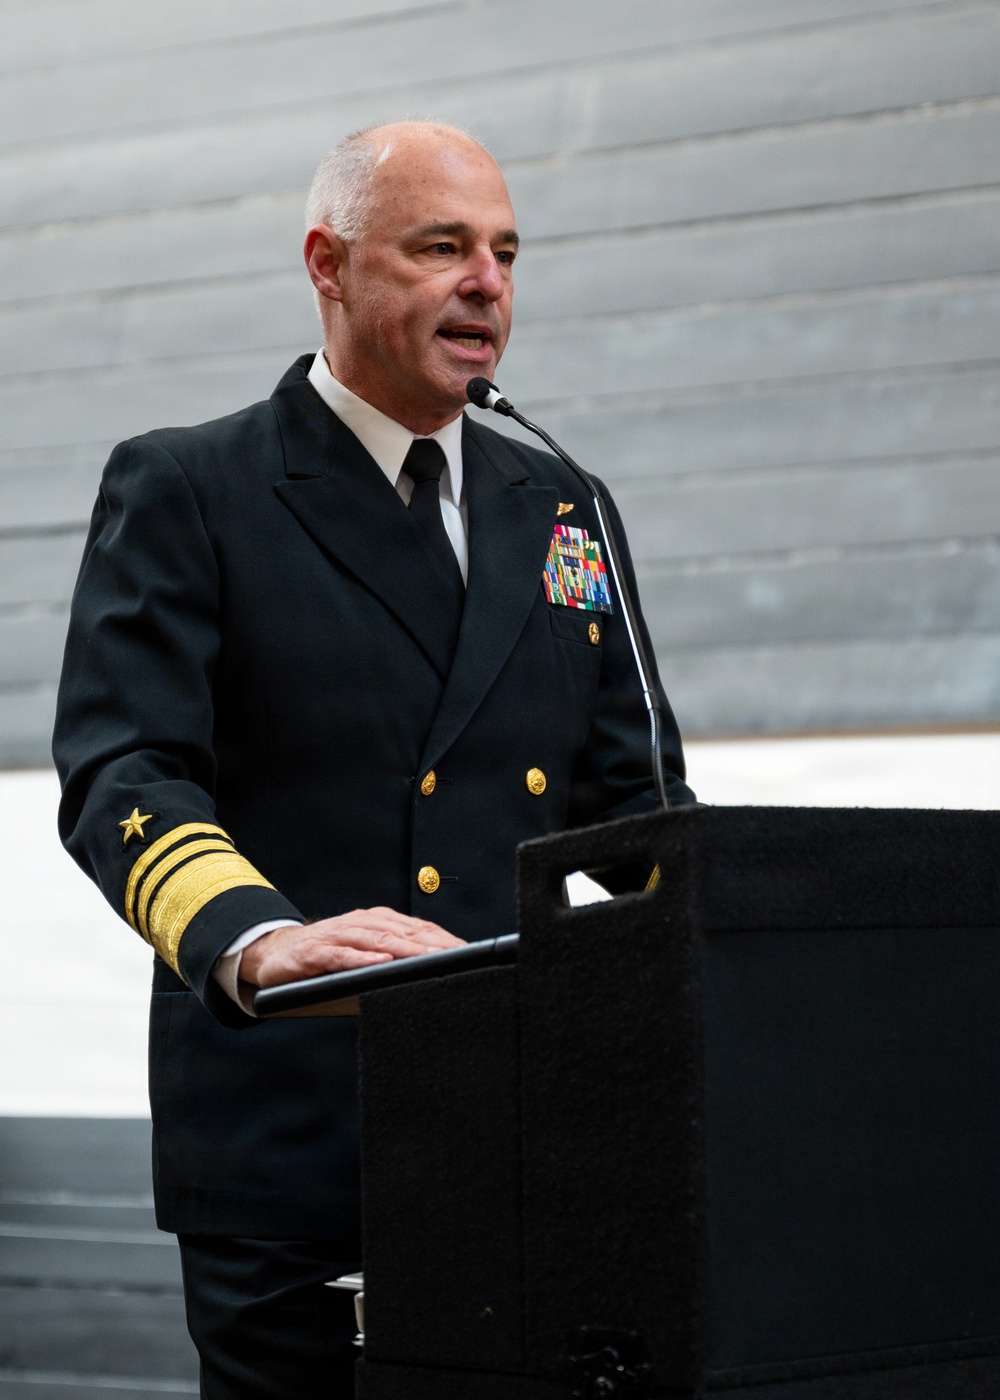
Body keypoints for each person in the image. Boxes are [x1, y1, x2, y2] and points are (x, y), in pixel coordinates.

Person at [53, 121, 694, 1398]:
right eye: (441, 246)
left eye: (506, 253)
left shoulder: (563, 502)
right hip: (297, 1132)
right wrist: (257, 941)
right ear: (328, 263)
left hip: (526, 1132)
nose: (487, 283)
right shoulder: (192, 485)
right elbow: (124, 772)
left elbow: (640, 817)